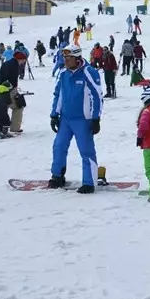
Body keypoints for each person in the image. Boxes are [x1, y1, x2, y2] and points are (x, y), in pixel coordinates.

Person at [48, 45, 102, 193]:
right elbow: (58, 94)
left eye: (68, 57)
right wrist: (54, 114)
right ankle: (57, 176)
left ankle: (89, 182)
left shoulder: (88, 72)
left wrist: (96, 118)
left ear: (77, 58)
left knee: (86, 150)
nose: (65, 60)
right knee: (59, 146)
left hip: (83, 119)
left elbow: (97, 96)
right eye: (64, 57)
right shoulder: (63, 73)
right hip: (65, 119)